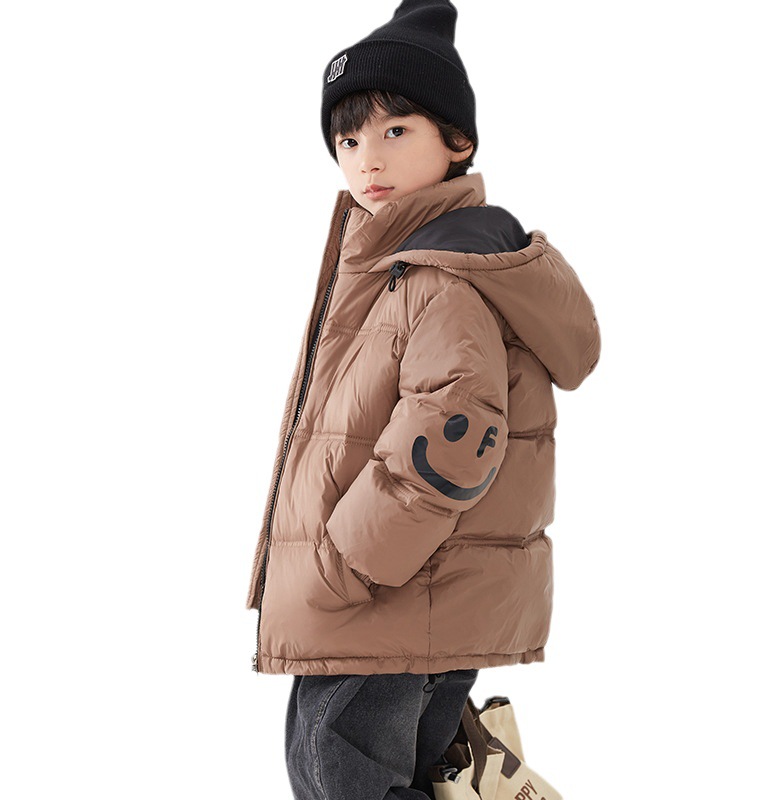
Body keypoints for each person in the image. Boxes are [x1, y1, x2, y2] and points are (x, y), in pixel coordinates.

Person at [244, 1, 601, 797]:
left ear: (457, 141)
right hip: (405, 602)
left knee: (337, 770)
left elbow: (453, 433)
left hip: (389, 601)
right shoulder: (398, 264)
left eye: (395, 130)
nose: (367, 158)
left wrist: (347, 565)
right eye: (348, 140)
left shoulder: (442, 276)